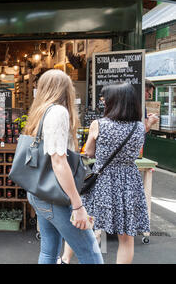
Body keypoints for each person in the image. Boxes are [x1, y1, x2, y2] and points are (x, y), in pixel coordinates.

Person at [60, 83, 149, 264]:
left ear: (114, 102)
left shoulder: (99, 124)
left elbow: (90, 152)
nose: (103, 102)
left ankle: (65, 260)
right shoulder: (139, 127)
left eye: (105, 100)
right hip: (129, 182)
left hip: (102, 180)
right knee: (126, 236)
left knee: (82, 224)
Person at [23, 69, 103, 264]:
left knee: (49, 252)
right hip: (55, 196)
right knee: (91, 254)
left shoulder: (40, 112)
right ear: (66, 89)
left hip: (39, 191)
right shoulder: (58, 112)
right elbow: (58, 162)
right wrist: (78, 206)